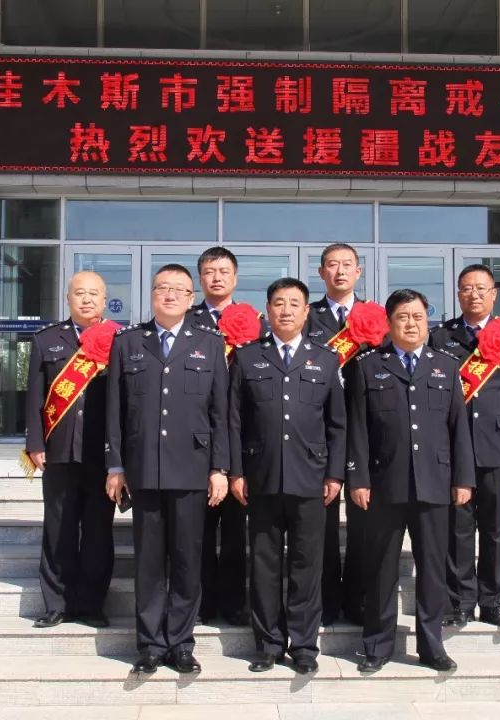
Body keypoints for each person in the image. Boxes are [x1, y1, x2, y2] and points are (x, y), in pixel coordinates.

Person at [105, 264, 230, 675]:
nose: (171, 295)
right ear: (152, 294)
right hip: (144, 469)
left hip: (192, 470)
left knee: (186, 560)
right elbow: (115, 412)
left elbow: (220, 413)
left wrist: (219, 468)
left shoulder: (210, 345)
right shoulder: (128, 342)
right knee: (149, 561)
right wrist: (116, 464)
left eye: (180, 290)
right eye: (163, 288)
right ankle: (150, 644)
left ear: (192, 298)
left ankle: (181, 642)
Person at [346, 289, 475, 673]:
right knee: (381, 568)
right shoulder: (368, 366)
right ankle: (377, 645)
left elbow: (458, 429)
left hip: (435, 484)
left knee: (432, 569)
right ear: (389, 323)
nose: (411, 323)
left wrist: (463, 478)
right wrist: (358, 478)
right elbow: (357, 429)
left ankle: (432, 647)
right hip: (384, 484)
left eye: (419, 317)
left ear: (428, 321)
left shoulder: (446, 366)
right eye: (403, 316)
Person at [228, 278, 346, 675]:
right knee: (263, 564)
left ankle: (305, 645)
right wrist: (237, 472)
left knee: (306, 564)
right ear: (267, 309)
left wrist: (335, 474)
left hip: (311, 479)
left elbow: (337, 426)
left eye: (294, 303)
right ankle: (267, 644)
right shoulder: (246, 358)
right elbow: (234, 422)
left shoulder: (325, 359)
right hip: (259, 478)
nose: (286, 311)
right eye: (279, 303)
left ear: (306, 311)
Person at [429, 263, 500, 630]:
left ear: (494, 294)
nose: (473, 294)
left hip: (496, 443)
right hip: (453, 446)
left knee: (493, 528)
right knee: (457, 528)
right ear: (458, 294)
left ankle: (492, 601)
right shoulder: (442, 336)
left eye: (481, 288)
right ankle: (459, 601)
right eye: (466, 288)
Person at [25, 271, 115, 630]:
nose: (87, 299)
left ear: (105, 300)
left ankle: (92, 605)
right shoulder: (47, 339)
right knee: (58, 528)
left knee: (97, 531)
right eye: (80, 293)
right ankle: (56, 603)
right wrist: (34, 442)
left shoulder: (118, 340)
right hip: (58, 450)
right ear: (68, 298)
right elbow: (34, 393)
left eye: (94, 294)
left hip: (101, 453)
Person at [187, 246, 260, 626]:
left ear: (235, 277)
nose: (217, 277)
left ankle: (233, 603)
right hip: (197, 434)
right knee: (198, 530)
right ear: (200, 279)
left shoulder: (253, 320)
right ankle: (201, 603)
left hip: (242, 434)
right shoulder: (187, 318)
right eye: (209, 271)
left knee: (235, 529)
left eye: (224, 271)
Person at [305, 243, 370, 626]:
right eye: (332, 265)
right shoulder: (308, 316)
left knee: (365, 520)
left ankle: (360, 600)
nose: (340, 271)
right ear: (321, 272)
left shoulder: (376, 317)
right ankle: (326, 603)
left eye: (347, 265)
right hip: (318, 427)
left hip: (366, 426)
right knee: (322, 523)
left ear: (358, 272)